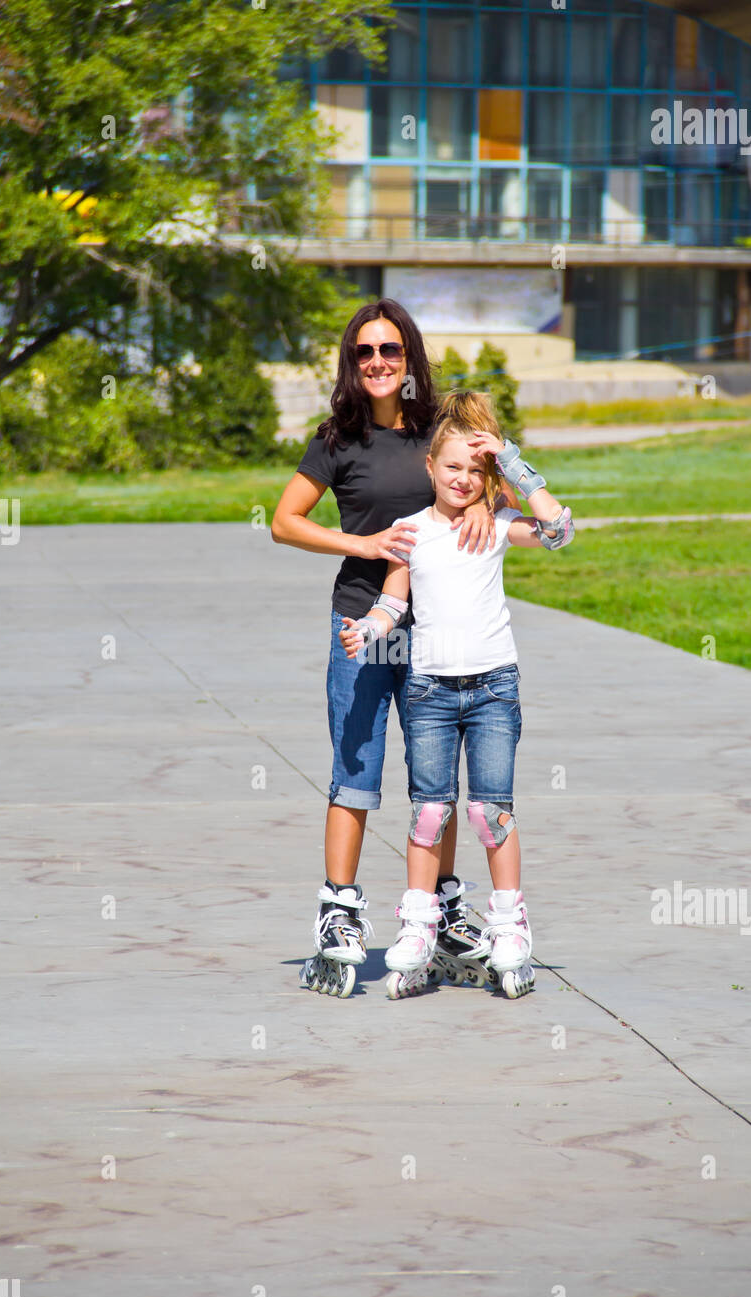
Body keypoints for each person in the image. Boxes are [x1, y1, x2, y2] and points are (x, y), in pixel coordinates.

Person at [271, 300, 515, 997]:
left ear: (410, 358)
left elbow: (484, 483)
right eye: (363, 352)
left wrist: (481, 508)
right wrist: (363, 544)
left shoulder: (441, 431)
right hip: (362, 623)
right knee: (357, 765)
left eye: (390, 350)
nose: (377, 362)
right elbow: (286, 522)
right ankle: (340, 912)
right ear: (351, 363)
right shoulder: (337, 439)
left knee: (435, 780)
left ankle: (440, 905)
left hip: (439, 630)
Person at [339, 390, 575, 999]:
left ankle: (510, 927)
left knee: (490, 813)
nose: (464, 480)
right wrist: (367, 629)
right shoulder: (409, 532)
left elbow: (558, 530)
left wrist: (511, 462)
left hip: (495, 687)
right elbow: (394, 603)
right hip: (429, 693)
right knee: (429, 812)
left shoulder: (495, 523)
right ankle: (418, 926)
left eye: (476, 471)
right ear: (429, 469)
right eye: (453, 468)